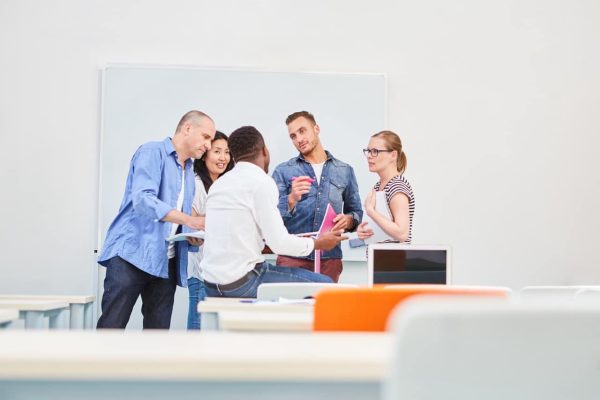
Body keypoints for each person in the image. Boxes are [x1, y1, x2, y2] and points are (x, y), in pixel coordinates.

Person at [97, 110, 216, 329]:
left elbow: (174, 220)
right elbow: (143, 199)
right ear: (187, 128)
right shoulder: (152, 152)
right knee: (110, 329)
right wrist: (190, 220)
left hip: (165, 262)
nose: (208, 146)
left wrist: (191, 237)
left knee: (158, 337)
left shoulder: (189, 170)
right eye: (206, 137)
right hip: (131, 256)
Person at [200, 126, 346, 298]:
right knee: (327, 286)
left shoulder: (219, 184)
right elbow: (279, 244)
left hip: (210, 284)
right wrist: (317, 243)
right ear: (264, 151)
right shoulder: (261, 182)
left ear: (234, 156)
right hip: (243, 282)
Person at [271, 111, 363, 282]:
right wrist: (291, 199)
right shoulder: (283, 171)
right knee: (288, 308)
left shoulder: (345, 170)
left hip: (330, 259)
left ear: (316, 129)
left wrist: (349, 220)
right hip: (292, 256)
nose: (299, 139)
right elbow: (271, 216)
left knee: (325, 309)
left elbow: (356, 211)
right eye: (293, 136)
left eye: (302, 131)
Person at [187, 131, 234, 330]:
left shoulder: (224, 185)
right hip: (201, 272)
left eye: (227, 152)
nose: (223, 158)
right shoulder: (197, 184)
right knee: (199, 331)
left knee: (215, 331)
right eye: (217, 151)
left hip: (221, 272)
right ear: (205, 154)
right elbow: (191, 223)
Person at [356, 130, 415, 244]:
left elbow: (402, 233)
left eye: (375, 151)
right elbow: (383, 227)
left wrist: (371, 211)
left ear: (393, 155)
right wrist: (364, 231)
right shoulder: (378, 186)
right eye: (368, 151)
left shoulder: (397, 186)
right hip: (380, 260)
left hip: (394, 260)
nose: (369, 156)